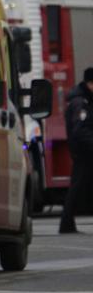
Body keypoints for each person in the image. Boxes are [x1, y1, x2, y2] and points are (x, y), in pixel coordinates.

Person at [60, 67, 93, 234]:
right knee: (77, 187)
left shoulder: (84, 100)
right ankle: (66, 224)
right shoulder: (81, 102)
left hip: (84, 151)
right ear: (90, 83)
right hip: (83, 152)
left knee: (79, 187)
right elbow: (80, 130)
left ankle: (67, 224)